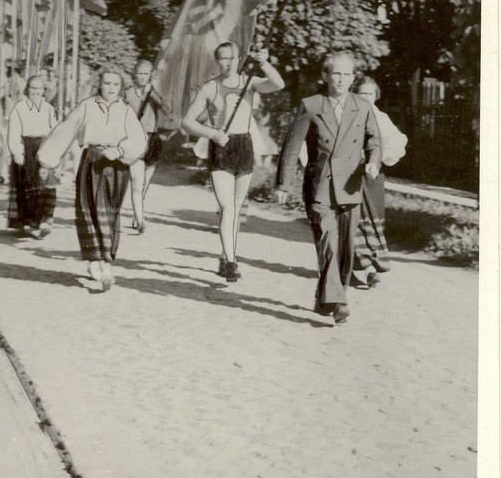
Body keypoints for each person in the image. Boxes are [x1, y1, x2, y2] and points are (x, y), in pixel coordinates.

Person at [275, 51, 381, 325]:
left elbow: (374, 140)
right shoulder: (311, 105)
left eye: (347, 74)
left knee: (345, 250)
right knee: (328, 243)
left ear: (353, 78)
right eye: (336, 73)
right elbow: (292, 146)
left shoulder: (362, 106)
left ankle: (328, 297)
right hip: (319, 185)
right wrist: (283, 183)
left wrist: (373, 162)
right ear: (325, 75)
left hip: (351, 185)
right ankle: (340, 301)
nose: (342, 79)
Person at [182, 40, 285, 283]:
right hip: (221, 147)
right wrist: (212, 134)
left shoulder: (250, 83)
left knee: (237, 208)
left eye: (232, 57)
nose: (228, 62)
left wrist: (263, 63)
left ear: (240, 59)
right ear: (216, 61)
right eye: (223, 58)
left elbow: (278, 84)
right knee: (227, 207)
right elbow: (187, 121)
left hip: (244, 146)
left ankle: (226, 254)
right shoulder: (210, 88)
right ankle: (230, 262)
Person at [37, 65, 147, 290]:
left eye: (116, 84)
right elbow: (65, 130)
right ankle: (95, 261)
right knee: (89, 210)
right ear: (99, 84)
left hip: (117, 166)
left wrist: (120, 150)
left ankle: (104, 261)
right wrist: (47, 162)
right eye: (107, 83)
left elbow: (139, 139)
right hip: (92, 163)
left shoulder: (125, 110)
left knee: (110, 212)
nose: (111, 88)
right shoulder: (86, 106)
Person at [351, 76, 408, 288]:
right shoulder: (348, 114)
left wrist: (378, 159)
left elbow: (397, 142)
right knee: (353, 219)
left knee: (373, 219)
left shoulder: (381, 118)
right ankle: (355, 267)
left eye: (370, 93)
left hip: (372, 175)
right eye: (361, 93)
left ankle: (372, 268)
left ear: (376, 96)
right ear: (354, 94)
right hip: (349, 175)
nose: (365, 97)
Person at [7, 74, 58, 239]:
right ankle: (24, 222)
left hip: (43, 149)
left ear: (44, 90)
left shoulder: (49, 109)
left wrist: (54, 153)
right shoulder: (19, 108)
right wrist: (17, 152)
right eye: (33, 88)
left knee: (45, 186)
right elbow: (14, 132)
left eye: (39, 88)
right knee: (26, 187)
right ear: (27, 89)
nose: (36, 91)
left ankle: (42, 221)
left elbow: (54, 132)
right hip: (26, 149)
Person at [124, 59, 163, 233]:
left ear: (150, 76)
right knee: (137, 182)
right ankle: (140, 219)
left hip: (153, 139)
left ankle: (137, 212)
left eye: (146, 73)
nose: (142, 76)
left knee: (145, 183)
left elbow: (167, 109)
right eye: (140, 72)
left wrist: (153, 93)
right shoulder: (127, 93)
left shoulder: (154, 93)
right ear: (134, 73)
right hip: (135, 139)